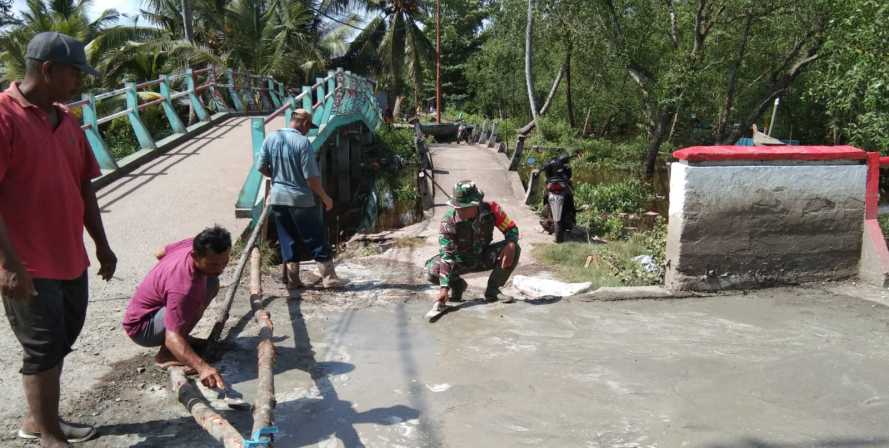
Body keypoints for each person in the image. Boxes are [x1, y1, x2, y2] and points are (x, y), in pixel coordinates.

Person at [0, 32, 117, 447]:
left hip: (70, 256)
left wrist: (101, 244)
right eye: (74, 73)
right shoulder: (3, 116)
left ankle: (40, 419)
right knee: (43, 348)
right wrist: (9, 264)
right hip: (27, 260)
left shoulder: (67, 120)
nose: (79, 82)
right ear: (48, 70)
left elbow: (84, 185)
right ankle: (48, 434)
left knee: (64, 336)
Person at [122, 226, 230, 391]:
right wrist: (203, 368)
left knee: (211, 282)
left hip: (156, 312)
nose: (221, 268)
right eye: (213, 263)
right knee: (194, 300)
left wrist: (163, 279)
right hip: (142, 328)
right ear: (195, 256)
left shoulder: (190, 244)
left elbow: (159, 252)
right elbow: (172, 337)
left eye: (224, 261)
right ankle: (166, 354)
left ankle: (181, 338)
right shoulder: (184, 288)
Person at [258, 108, 347, 292]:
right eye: (309, 127)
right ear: (305, 123)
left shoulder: (271, 138)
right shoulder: (303, 143)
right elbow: (311, 178)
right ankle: (329, 278)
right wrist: (325, 197)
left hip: (278, 198)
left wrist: (278, 177)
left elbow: (261, 167)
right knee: (315, 236)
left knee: (287, 238)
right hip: (300, 200)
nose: (309, 131)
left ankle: (293, 280)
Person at [423, 181, 521, 320]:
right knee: (431, 270)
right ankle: (457, 285)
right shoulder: (448, 221)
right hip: (459, 261)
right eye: (456, 207)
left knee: (514, 248)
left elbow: (511, 228)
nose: (459, 211)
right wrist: (444, 288)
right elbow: (447, 255)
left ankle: (493, 290)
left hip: (484, 256)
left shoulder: (492, 209)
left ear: (475, 204)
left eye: (463, 208)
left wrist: (511, 243)